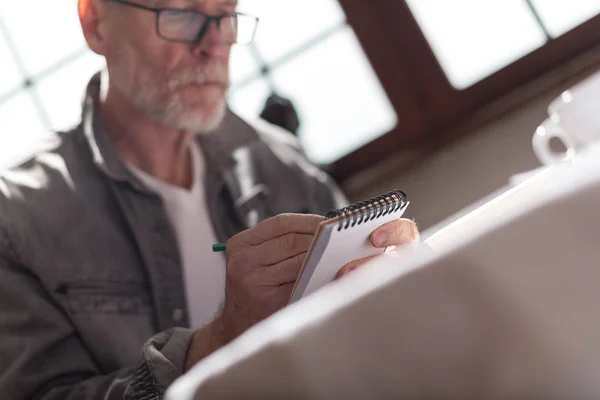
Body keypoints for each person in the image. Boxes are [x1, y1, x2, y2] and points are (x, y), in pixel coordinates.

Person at [0, 0, 419, 399]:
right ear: (95, 23)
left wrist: (393, 289)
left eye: (226, 13)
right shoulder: (16, 218)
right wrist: (218, 341)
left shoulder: (283, 167)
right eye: (180, 13)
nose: (214, 43)